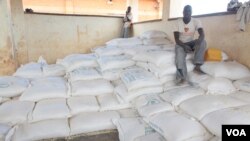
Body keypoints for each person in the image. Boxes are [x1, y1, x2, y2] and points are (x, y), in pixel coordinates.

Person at [173, 5, 207, 85]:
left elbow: (202, 34)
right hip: (180, 43)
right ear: (183, 12)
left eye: (189, 11)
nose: (187, 12)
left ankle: (197, 65)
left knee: (203, 41)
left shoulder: (196, 21)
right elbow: (177, 39)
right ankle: (182, 77)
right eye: (186, 11)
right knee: (179, 54)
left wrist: (198, 42)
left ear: (191, 12)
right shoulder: (177, 22)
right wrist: (184, 46)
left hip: (191, 42)